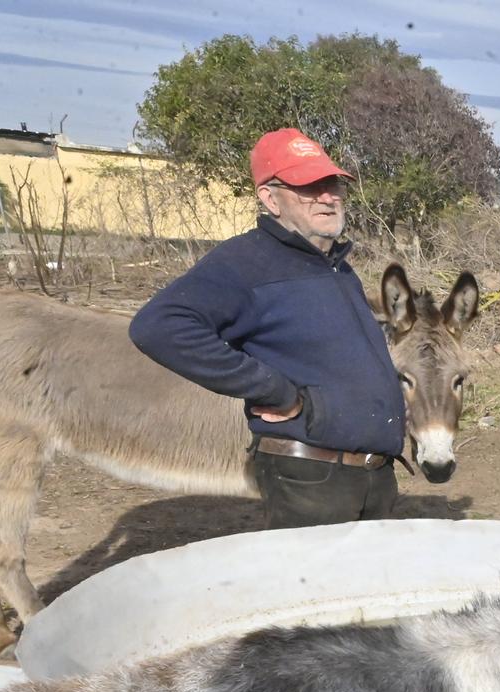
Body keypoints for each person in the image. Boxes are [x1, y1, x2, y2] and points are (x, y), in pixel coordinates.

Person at [129, 127, 406, 527]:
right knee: (317, 588)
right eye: (308, 186)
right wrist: (273, 390)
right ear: (270, 198)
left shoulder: (339, 269)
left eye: (331, 183)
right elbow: (158, 326)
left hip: (372, 475)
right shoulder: (246, 262)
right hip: (313, 478)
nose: (328, 196)